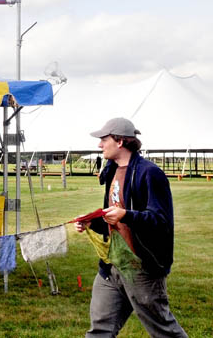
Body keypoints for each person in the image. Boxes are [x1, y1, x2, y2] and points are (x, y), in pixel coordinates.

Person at [75, 117, 186, 337]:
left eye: (103, 139)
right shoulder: (111, 171)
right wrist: (93, 221)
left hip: (141, 269)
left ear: (119, 141)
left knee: (164, 331)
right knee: (99, 331)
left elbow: (160, 221)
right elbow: (114, 216)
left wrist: (126, 215)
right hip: (112, 266)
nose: (99, 145)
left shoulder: (149, 173)